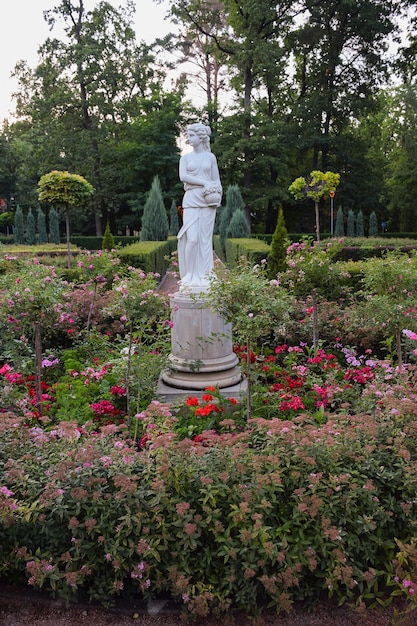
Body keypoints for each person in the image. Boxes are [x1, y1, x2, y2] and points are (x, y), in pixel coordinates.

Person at [177, 123, 222, 289]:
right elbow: (183, 176)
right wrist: (204, 182)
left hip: (207, 200)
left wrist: (217, 194)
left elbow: (216, 179)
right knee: (192, 238)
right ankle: (189, 274)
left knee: (205, 240)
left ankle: (205, 275)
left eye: (192, 135)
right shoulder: (185, 158)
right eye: (188, 135)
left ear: (201, 137)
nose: (189, 138)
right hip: (191, 199)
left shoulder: (210, 157)